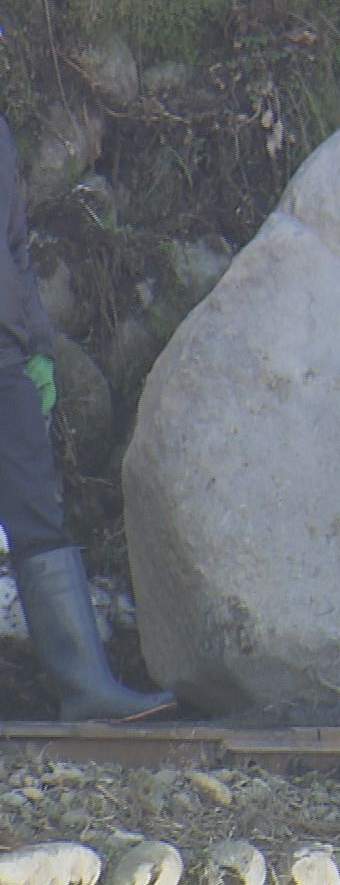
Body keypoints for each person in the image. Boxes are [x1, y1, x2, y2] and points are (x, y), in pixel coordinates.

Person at [1, 113, 176, 722]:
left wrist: (39, 347)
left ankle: (86, 689)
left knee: (37, 513)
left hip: (6, 356)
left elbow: (16, 249)